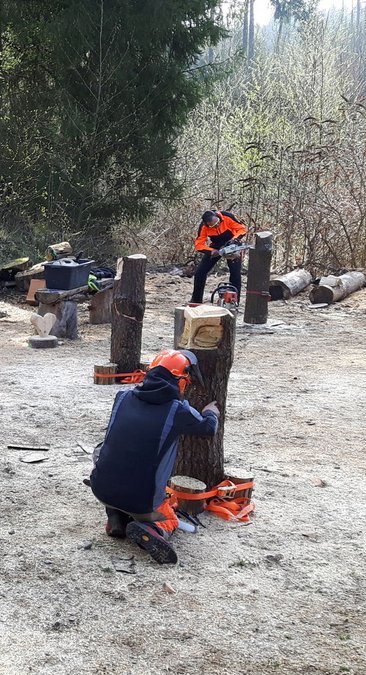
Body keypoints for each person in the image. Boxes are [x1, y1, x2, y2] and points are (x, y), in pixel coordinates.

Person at [88, 350, 220, 564]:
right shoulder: (178, 411)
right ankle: (153, 528)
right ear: (182, 381)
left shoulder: (122, 397)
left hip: (100, 488)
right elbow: (208, 429)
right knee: (170, 518)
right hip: (142, 500)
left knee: (114, 460)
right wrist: (211, 412)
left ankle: (115, 519)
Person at [191, 209, 248, 306]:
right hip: (216, 246)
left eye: (217, 222)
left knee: (235, 273)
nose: (217, 225)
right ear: (206, 224)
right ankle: (196, 300)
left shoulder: (227, 216)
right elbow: (198, 244)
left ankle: (234, 301)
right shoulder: (203, 227)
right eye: (213, 225)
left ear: (218, 217)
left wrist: (234, 240)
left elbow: (242, 229)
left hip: (232, 244)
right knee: (200, 273)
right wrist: (211, 251)